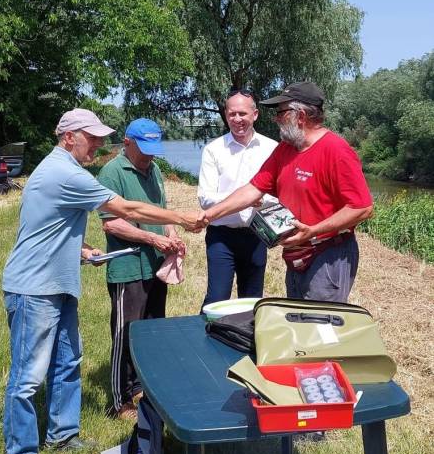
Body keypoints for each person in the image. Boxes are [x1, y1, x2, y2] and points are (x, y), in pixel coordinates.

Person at [2, 109, 205, 454]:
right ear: (68, 138)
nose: (97, 143)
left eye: (98, 136)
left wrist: (81, 250)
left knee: (68, 361)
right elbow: (124, 209)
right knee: (28, 375)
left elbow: (47, 224)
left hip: (58, 285)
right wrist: (179, 218)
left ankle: (63, 435)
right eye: (90, 136)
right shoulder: (64, 171)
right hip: (34, 289)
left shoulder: (60, 170)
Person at [203, 82, 373, 303]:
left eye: (281, 113)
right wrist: (210, 214)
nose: (275, 119)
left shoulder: (336, 151)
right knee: (299, 323)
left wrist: (313, 231)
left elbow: (362, 208)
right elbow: (253, 189)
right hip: (296, 255)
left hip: (327, 255)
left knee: (319, 328)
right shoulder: (286, 149)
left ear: (300, 116)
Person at [98, 118, 186, 420]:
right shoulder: (111, 173)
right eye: (143, 149)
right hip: (127, 266)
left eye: (153, 149)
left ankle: (141, 386)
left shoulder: (155, 170)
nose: (149, 156)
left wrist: (171, 235)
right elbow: (111, 222)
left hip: (155, 265)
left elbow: (161, 211)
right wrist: (152, 238)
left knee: (151, 332)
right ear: (127, 142)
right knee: (126, 333)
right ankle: (119, 400)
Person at [197, 88, 277, 309]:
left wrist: (263, 200)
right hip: (221, 236)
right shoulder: (213, 150)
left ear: (255, 114)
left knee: (252, 302)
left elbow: (280, 194)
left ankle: (246, 342)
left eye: (242, 113)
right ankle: (206, 339)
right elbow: (205, 199)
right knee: (216, 299)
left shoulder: (272, 149)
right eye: (232, 114)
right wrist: (246, 198)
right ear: (225, 114)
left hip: (256, 234)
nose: (237, 119)